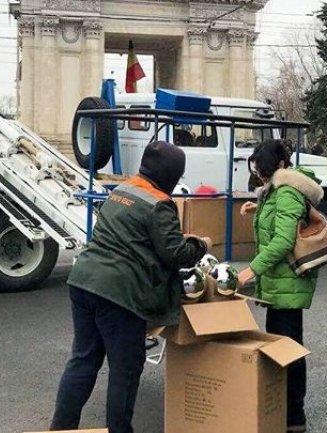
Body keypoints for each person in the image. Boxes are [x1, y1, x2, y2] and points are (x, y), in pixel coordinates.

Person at [50, 141, 211, 433]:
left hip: (83, 280)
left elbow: (134, 238)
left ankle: (61, 428)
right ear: (172, 175)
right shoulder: (159, 203)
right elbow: (175, 255)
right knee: (125, 371)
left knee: (83, 360)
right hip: (119, 295)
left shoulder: (122, 190)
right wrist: (200, 244)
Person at [238, 141, 323, 433]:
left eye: (262, 171)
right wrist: (257, 207)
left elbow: (283, 240)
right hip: (279, 285)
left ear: (278, 166)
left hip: (287, 284)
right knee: (282, 346)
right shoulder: (278, 188)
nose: (260, 177)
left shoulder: (287, 191)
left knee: (289, 350)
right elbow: (277, 216)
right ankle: (284, 410)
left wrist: (251, 270)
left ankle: (293, 415)